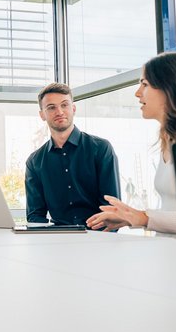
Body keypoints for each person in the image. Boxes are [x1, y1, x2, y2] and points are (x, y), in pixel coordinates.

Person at [87, 52, 176, 234]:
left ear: (170, 88)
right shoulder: (169, 141)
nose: (137, 93)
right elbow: (172, 210)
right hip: (169, 252)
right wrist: (128, 217)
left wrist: (142, 217)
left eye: (145, 84)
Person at [25, 83, 121, 225]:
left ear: (73, 108)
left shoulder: (101, 149)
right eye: (51, 107)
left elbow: (111, 209)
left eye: (64, 105)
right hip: (57, 241)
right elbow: (35, 215)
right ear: (42, 115)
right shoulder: (34, 162)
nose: (59, 112)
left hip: (100, 240)